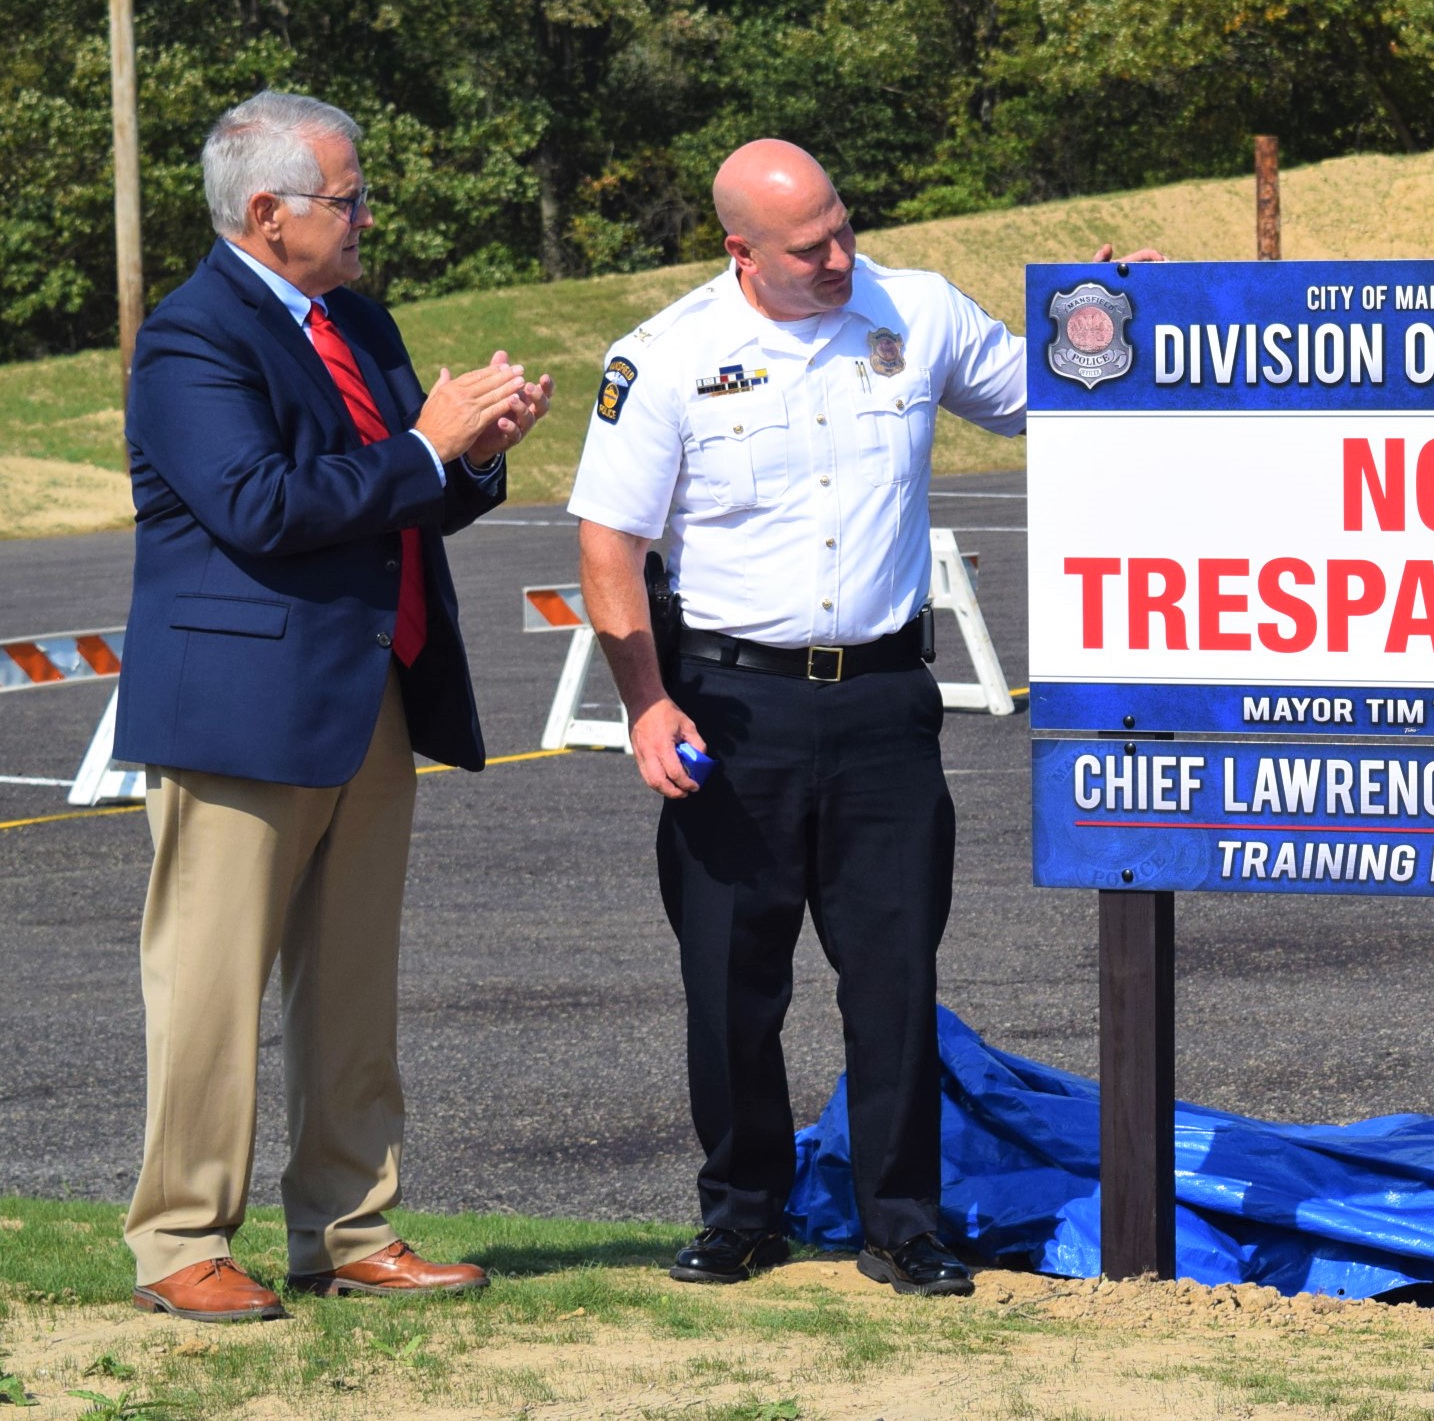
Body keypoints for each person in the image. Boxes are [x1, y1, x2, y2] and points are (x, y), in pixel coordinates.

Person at [569, 139, 1159, 1293]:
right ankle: (741, 1210)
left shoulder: (916, 309)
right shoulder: (668, 357)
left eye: (843, 226)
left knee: (893, 975)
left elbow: (1047, 392)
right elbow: (609, 541)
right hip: (729, 707)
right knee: (731, 981)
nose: (840, 255)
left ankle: (904, 1222)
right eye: (808, 247)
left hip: (886, 701)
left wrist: (1118, 315)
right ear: (740, 250)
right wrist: (644, 702)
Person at [117, 91, 553, 1321]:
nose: (368, 218)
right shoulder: (190, 338)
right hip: (240, 711)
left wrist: (470, 455)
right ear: (268, 214)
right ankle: (182, 1240)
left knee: (352, 980)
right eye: (348, 199)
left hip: (371, 693)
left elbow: (399, 494)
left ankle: (349, 1227)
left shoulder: (358, 318)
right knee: (209, 987)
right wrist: (426, 447)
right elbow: (261, 506)